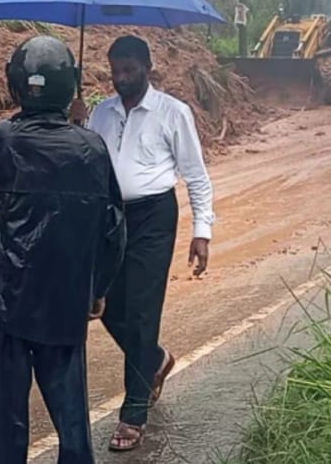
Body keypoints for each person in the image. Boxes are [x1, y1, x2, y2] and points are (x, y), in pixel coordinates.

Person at [0, 35, 127, 464]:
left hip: (10, 296)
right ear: (70, 85)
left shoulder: (3, 137)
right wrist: (98, 288)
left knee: (4, 414)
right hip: (66, 295)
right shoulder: (91, 147)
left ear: (15, 85)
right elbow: (114, 229)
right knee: (70, 411)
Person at [71, 34, 215, 452]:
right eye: (115, 70)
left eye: (129, 69)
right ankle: (153, 359)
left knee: (143, 310)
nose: (121, 77)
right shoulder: (101, 113)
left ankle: (133, 413)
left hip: (154, 217)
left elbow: (196, 174)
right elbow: (85, 163)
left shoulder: (173, 112)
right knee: (104, 304)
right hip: (110, 217)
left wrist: (201, 231)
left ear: (147, 67)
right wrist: (77, 125)